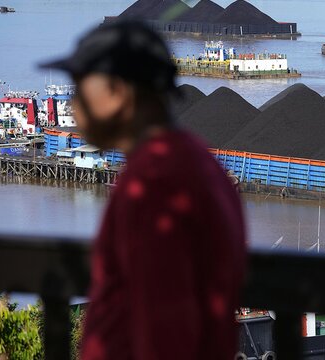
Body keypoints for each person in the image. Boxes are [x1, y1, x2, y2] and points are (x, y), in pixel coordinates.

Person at [40, 21, 247, 360]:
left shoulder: (154, 184)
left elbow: (166, 328)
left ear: (118, 92)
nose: (72, 106)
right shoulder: (195, 162)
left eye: (79, 89)